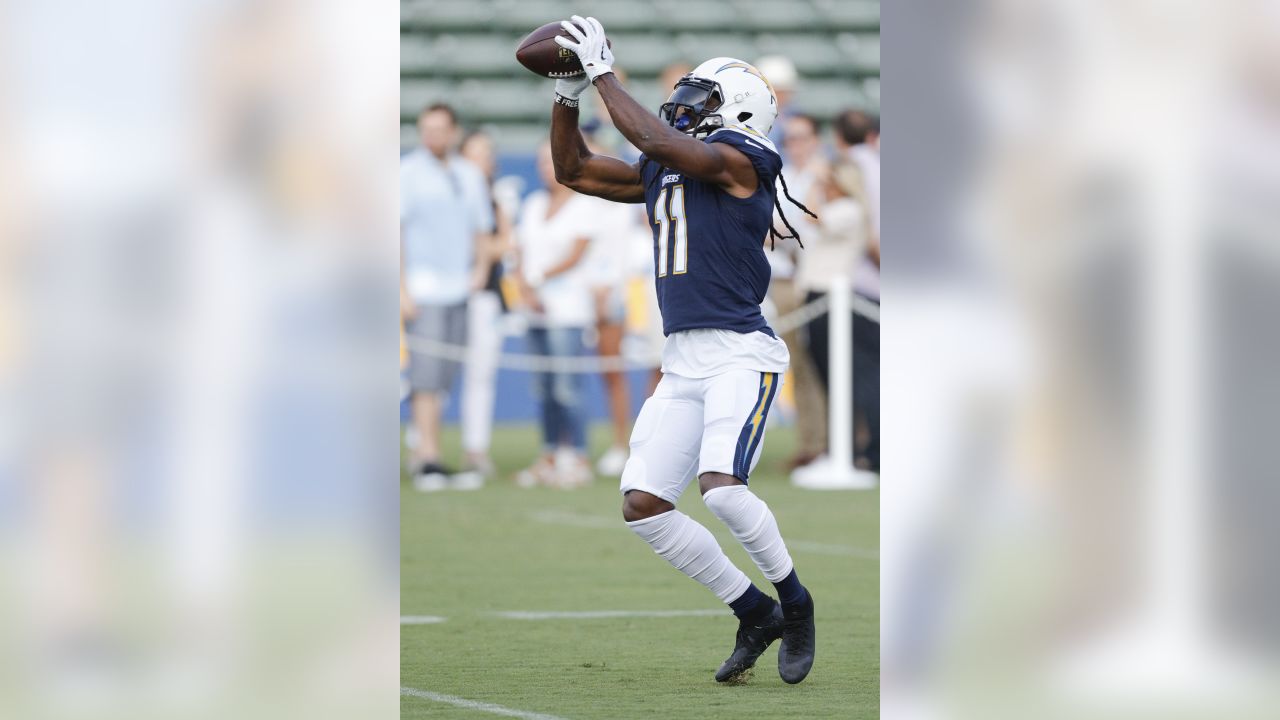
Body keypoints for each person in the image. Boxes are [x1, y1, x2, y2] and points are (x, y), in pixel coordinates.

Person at [548, 16, 816, 684]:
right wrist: (566, 93)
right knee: (642, 504)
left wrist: (603, 71)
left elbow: (653, 136)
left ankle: (794, 599)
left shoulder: (743, 161)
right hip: (683, 359)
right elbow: (573, 169)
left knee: (722, 491)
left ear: (741, 111)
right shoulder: (668, 166)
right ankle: (753, 611)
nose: (686, 103)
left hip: (739, 353)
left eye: (704, 95)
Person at [401, 103, 493, 491]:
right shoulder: (406, 173)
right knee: (425, 377)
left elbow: (482, 229)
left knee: (444, 379)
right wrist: (401, 288)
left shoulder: (469, 175)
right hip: (424, 289)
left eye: (439, 129)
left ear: (453, 132)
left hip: (459, 289)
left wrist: (480, 272)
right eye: (427, 129)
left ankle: (425, 449)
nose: (432, 136)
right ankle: (429, 459)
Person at [512, 143, 601, 488]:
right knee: (544, 388)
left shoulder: (583, 204)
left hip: (568, 310)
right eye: (540, 164)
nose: (545, 169)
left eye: (550, 162)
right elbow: (520, 252)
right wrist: (525, 289)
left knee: (567, 388)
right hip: (534, 310)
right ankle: (549, 456)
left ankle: (577, 456)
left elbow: (576, 254)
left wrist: (537, 279)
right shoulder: (533, 205)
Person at [773, 114, 830, 469]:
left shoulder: (823, 175)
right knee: (799, 364)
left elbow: (804, 224)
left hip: (811, 276)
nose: (796, 145)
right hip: (783, 275)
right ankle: (811, 442)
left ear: (814, 140)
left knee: (819, 362)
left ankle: (823, 442)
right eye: (790, 139)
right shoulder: (786, 176)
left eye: (802, 138)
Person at [458, 130, 511, 480]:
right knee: (432, 375)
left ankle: (475, 449)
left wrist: (476, 251)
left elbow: (502, 244)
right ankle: (422, 447)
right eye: (475, 153)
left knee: (481, 375)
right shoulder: (446, 195)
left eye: (487, 153)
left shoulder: (495, 200)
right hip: (443, 294)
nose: (483, 160)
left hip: (485, 295)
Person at [834, 110, 880, 471]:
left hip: (867, 282)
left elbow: (871, 233)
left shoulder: (859, 165)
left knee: (867, 373)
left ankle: (875, 452)